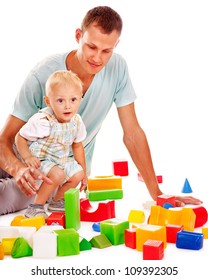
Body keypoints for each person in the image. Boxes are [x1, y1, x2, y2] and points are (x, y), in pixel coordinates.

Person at [0, 6, 202, 215]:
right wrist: (18, 169)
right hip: (24, 157)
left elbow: (132, 134)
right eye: (91, 47)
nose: (97, 58)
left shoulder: (117, 68)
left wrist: (158, 194)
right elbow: (4, 140)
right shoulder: (42, 74)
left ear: (116, 45)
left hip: (59, 175)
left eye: (107, 51)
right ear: (78, 36)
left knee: (4, 198)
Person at [15, 70, 87, 218]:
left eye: (73, 100)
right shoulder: (43, 121)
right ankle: (36, 205)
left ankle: (57, 201)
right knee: (57, 174)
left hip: (60, 159)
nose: (68, 106)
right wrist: (27, 157)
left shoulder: (77, 121)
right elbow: (19, 137)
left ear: (80, 98)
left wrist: (84, 173)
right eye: (60, 101)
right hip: (40, 158)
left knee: (78, 173)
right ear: (48, 101)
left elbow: (77, 145)